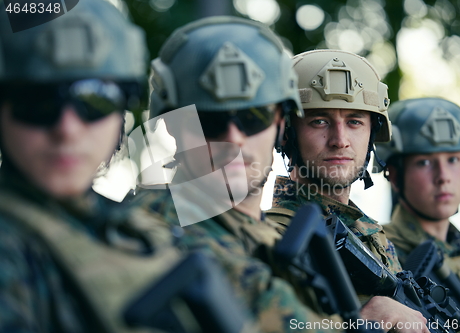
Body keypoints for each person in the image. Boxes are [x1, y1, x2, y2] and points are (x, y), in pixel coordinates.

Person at [0, 1, 209, 332]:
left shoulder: (134, 226)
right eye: (36, 101)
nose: (67, 128)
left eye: (94, 99)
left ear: (122, 109)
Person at [132, 16, 345, 332]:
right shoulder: (150, 230)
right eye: (209, 121)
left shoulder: (274, 238)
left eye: (253, 116)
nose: (234, 138)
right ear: (174, 128)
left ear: (281, 124)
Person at [266, 49, 430, 332]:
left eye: (354, 121)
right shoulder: (273, 238)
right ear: (287, 133)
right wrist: (359, 325)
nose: (339, 140)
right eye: (319, 121)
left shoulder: (371, 235)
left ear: (371, 135)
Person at [374, 97, 460, 320]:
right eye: (424, 162)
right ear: (394, 175)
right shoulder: (378, 252)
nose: (443, 177)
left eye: (452, 159)